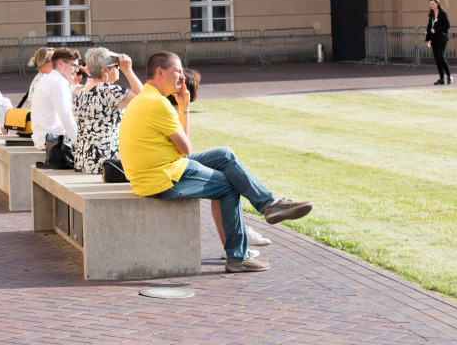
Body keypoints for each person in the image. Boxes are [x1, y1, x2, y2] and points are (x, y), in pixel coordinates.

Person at [119, 51, 312, 273]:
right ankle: (237, 257)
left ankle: (270, 205)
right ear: (160, 72)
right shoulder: (158, 104)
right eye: (178, 71)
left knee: (225, 154)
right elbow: (185, 148)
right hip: (162, 177)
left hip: (155, 171)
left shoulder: (144, 98)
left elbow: (181, 150)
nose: (182, 77)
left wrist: (183, 107)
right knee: (229, 186)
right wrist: (184, 110)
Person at [169, 68, 271, 255]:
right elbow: (183, 150)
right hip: (168, 170)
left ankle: (264, 209)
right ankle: (241, 237)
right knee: (226, 180)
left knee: (225, 159)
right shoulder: (167, 111)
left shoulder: (164, 106)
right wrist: (184, 109)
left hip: (168, 164)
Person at [73, 48, 143, 174]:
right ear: (105, 70)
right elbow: (144, 100)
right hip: (107, 161)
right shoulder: (109, 90)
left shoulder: (83, 91)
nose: (119, 68)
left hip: (86, 160)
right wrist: (128, 71)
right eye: (116, 65)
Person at [30, 47, 84, 150]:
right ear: (61, 63)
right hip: (52, 142)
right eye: (74, 66)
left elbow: (80, 89)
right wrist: (80, 143)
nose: (77, 70)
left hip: (45, 139)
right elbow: (66, 117)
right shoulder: (58, 82)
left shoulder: (51, 78)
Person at [425, 0, 452, 85]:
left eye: (433, 3)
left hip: (442, 39)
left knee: (441, 57)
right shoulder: (431, 15)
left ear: (437, 4)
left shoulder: (442, 13)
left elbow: (447, 26)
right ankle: (442, 78)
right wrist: (428, 39)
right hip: (434, 39)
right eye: (430, 4)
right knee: (437, 59)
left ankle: (449, 76)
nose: (431, 5)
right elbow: (429, 27)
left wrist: (437, 30)